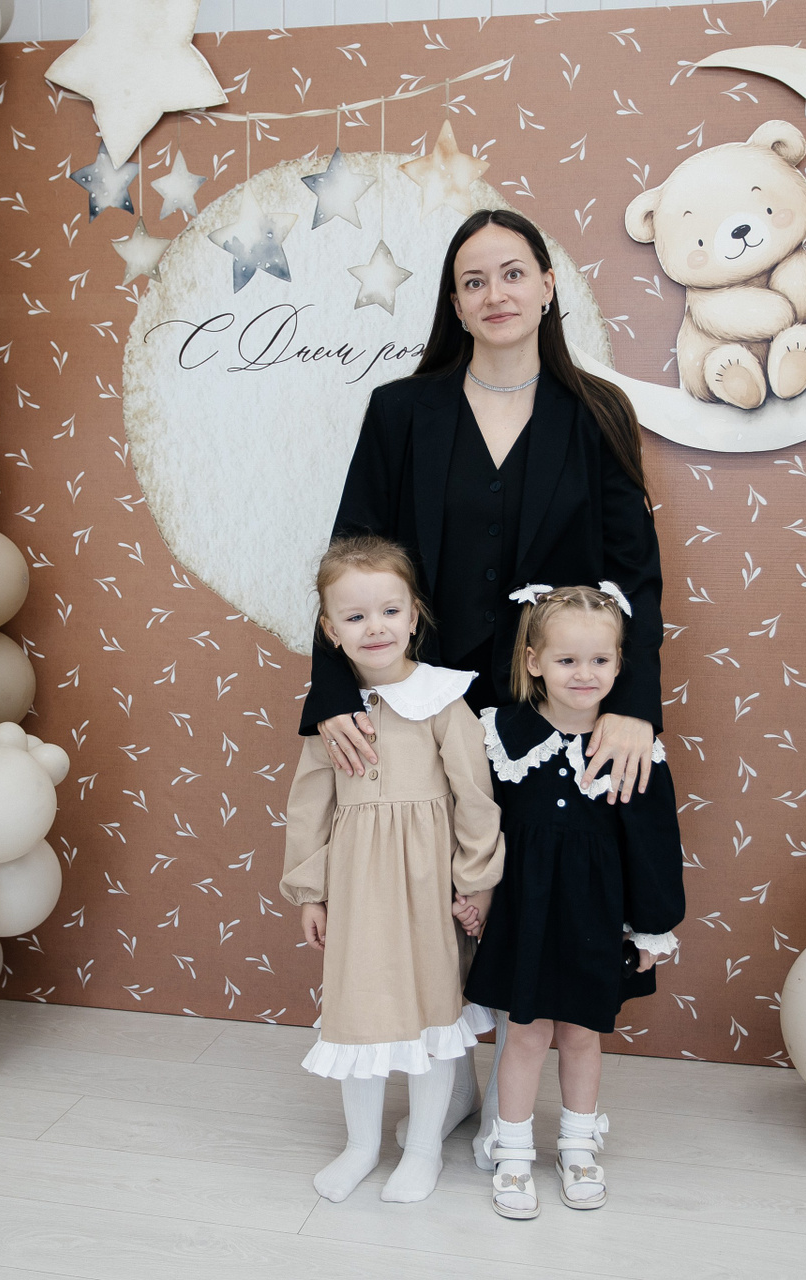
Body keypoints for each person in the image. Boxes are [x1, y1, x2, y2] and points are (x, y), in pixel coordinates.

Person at [301, 208, 666, 1153]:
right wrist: (334, 696)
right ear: (454, 305)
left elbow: (636, 574)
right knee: (433, 894)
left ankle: (519, 1108)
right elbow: (350, 558)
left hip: (554, 711)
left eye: (512, 273)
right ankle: (451, 1088)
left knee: (526, 894)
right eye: (473, 281)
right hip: (421, 703)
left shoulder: (599, 412)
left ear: (547, 286)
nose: (494, 294)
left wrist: (632, 705)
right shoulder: (402, 412)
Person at [279, 535, 506, 1205]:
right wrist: (311, 892)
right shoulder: (333, 714)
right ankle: (361, 1146)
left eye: (388, 611)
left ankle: (425, 1148)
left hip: (427, 887)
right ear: (330, 630)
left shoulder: (443, 700)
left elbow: (476, 799)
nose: (373, 628)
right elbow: (309, 805)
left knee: (434, 1018)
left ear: (413, 616)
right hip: (358, 888)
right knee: (358, 1015)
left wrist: (476, 882)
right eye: (354, 617)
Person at [462, 585, 686, 1219]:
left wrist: (650, 929)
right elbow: (476, 824)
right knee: (525, 1036)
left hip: (595, 919)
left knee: (584, 1036)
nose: (584, 674)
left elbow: (652, 844)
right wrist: (474, 891)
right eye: (566, 660)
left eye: (600, 660)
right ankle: (512, 1150)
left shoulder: (635, 749)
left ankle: (578, 1146)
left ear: (619, 664)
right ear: (534, 661)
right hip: (525, 914)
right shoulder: (501, 734)